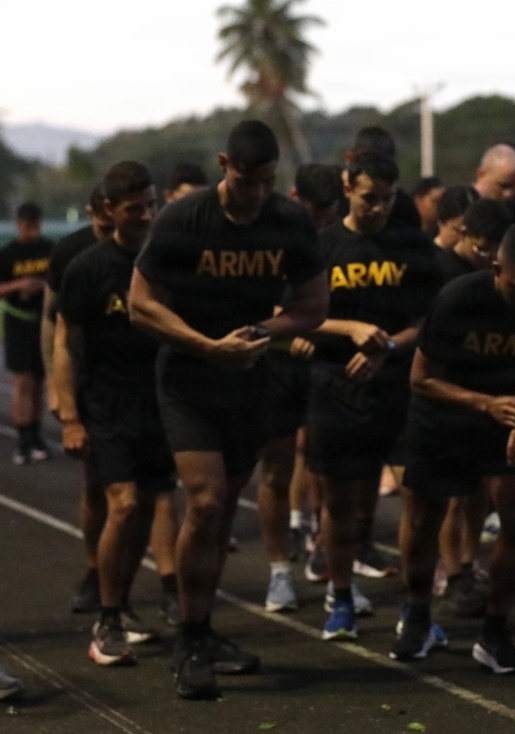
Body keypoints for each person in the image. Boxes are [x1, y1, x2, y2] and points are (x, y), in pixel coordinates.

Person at [129, 119, 328, 700]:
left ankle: (202, 627)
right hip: (189, 378)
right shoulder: (184, 218)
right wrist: (205, 344)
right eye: (247, 180)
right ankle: (189, 637)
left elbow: (314, 305)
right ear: (224, 165)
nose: (256, 192)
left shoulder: (287, 222)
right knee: (208, 500)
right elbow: (141, 306)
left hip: (248, 376)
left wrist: (261, 331)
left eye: (267, 181)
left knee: (219, 515)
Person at [393, 222, 515, 672]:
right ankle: (417, 615)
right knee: (424, 517)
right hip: (445, 413)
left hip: (510, 418)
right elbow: (421, 379)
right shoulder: (459, 299)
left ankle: (496, 630)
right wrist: (486, 404)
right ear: (497, 268)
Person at [306, 150, 440, 641]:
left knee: (420, 500)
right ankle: (340, 598)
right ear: (347, 188)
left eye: (386, 199)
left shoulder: (412, 246)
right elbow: (295, 315)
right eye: (369, 199)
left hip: (403, 388)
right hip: (337, 389)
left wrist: (386, 346)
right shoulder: (321, 248)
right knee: (341, 503)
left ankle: (418, 607)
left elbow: (429, 322)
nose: (378, 208)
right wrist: (351, 329)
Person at [54, 161, 175, 666]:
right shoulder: (88, 267)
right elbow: (65, 341)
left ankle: (122, 605)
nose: (146, 215)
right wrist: (69, 416)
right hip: (106, 403)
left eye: (152, 204)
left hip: (160, 401)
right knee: (121, 505)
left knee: (146, 508)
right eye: (135, 209)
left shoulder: (167, 262)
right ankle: (106, 620)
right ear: (109, 210)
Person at [256, 162, 345, 614]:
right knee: (275, 467)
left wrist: (317, 332)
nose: (320, 221)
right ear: (293, 196)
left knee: (330, 470)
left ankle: (329, 555)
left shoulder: (336, 235)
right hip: (276, 365)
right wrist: (295, 333)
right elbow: (258, 300)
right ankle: (278, 571)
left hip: (328, 364)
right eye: (313, 211)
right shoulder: (270, 229)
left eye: (328, 213)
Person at [431, 198, 515, 617]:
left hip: (490, 389)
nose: (490, 260)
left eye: (498, 252)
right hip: (448, 392)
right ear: (462, 235)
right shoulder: (440, 271)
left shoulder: (499, 273)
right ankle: (453, 572)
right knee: (451, 492)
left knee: (480, 489)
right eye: (483, 250)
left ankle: (466, 563)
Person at [41, 184, 114, 615]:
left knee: (153, 491)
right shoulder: (71, 251)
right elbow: (53, 325)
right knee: (96, 484)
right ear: (93, 211)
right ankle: (94, 570)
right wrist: (55, 383)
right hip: (88, 379)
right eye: (101, 217)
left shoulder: (148, 246)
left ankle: (165, 583)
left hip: (137, 379)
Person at [0, 202, 53, 465]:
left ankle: (35, 434)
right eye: (26, 224)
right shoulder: (8, 253)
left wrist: (39, 285)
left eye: (35, 224)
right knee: (23, 382)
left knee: (40, 382)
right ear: (18, 223)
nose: (31, 229)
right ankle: (22, 438)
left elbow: (59, 281)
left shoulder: (49, 249)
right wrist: (19, 285)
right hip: (18, 321)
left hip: (42, 322)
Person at [473, 143, 515, 208]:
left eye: (514, 187)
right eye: (503, 186)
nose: (508, 194)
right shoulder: (461, 208)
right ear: (481, 176)